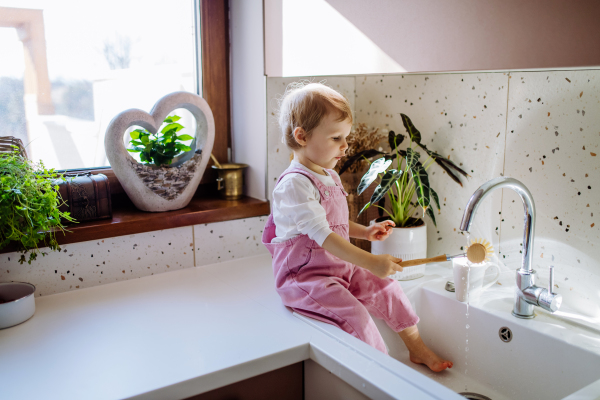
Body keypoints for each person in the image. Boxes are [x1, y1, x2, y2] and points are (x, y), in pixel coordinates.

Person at [261, 82, 453, 372]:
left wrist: (364, 232)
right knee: (357, 317)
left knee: (387, 286)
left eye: (346, 137)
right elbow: (323, 236)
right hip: (306, 279)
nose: (345, 146)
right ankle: (383, 374)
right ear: (302, 136)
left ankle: (417, 347)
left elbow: (332, 223)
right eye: (336, 137)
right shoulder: (294, 185)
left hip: (338, 268)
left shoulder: (327, 174)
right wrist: (371, 261)